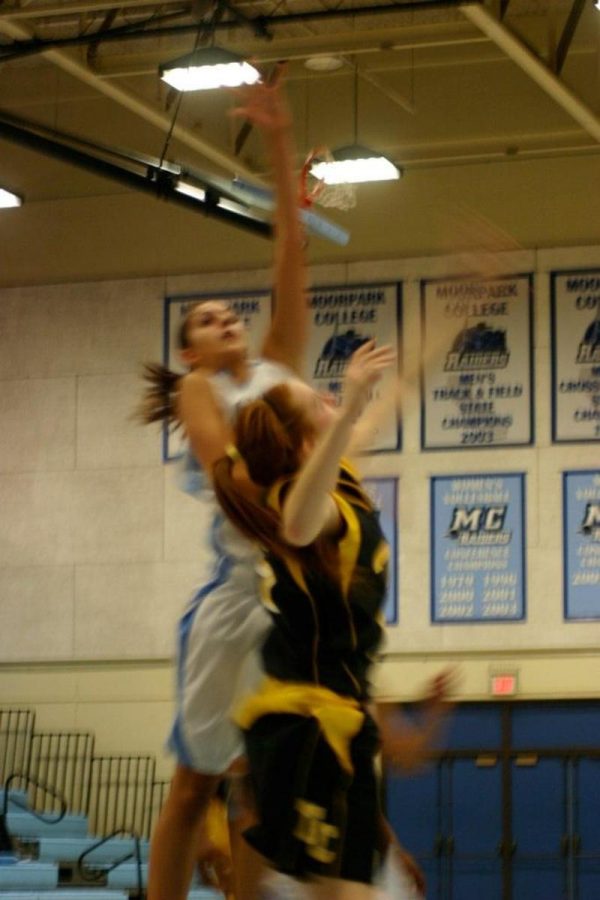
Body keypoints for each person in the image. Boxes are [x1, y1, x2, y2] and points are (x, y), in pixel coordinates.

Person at [139, 73, 309, 900]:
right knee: (194, 784)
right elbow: (228, 476)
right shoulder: (196, 392)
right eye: (203, 319)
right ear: (193, 351)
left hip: (290, 595)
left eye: (225, 310)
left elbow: (291, 251)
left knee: (262, 788)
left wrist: (277, 142)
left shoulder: (279, 364)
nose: (224, 318)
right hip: (237, 597)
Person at [212, 340, 453, 898]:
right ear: (304, 440)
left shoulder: (338, 474)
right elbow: (298, 525)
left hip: (331, 720)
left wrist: (449, 319)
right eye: (315, 399)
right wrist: (346, 407)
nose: (327, 395)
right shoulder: (297, 498)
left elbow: (392, 397)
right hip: (304, 722)